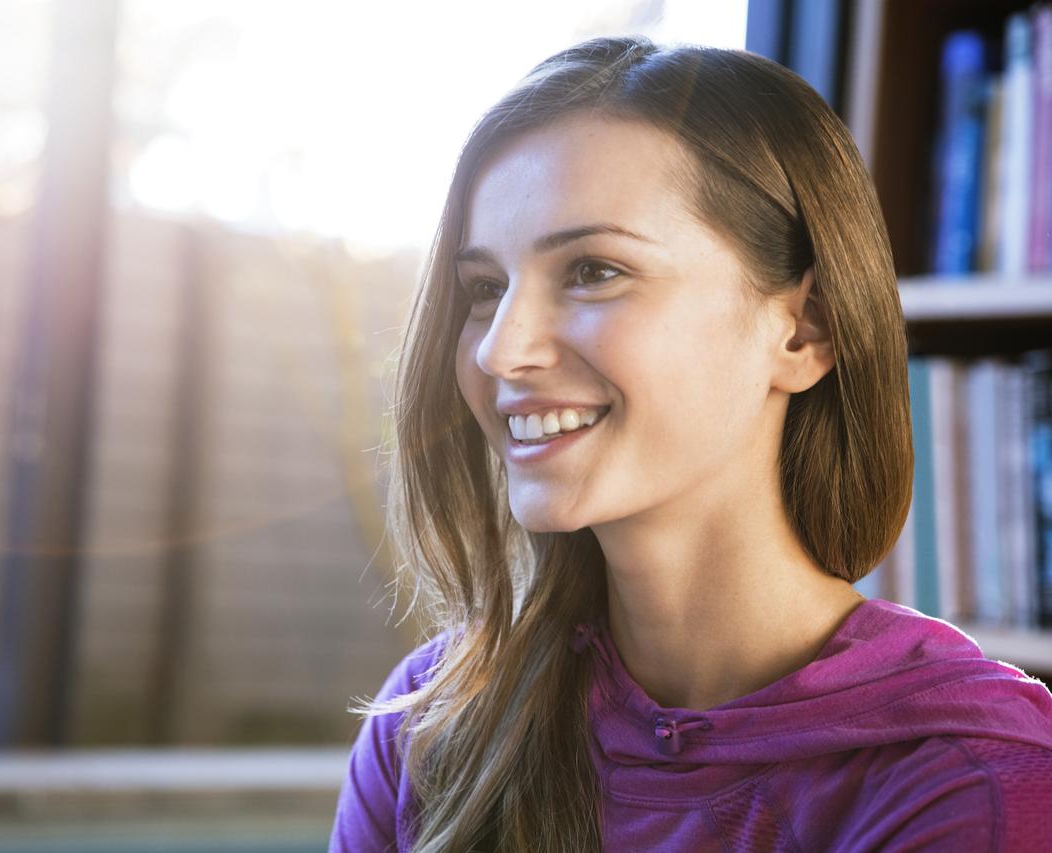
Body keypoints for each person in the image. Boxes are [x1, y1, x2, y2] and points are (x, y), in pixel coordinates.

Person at [329, 36, 1052, 852]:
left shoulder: (972, 788)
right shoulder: (429, 722)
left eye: (594, 270)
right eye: (484, 289)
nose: (500, 349)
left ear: (804, 329)